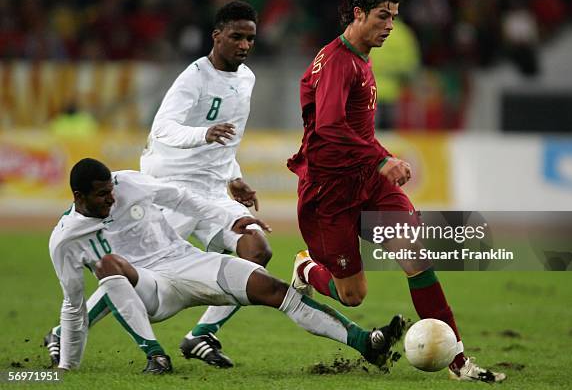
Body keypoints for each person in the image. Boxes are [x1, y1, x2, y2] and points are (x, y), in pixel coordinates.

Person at [287, 0, 506, 383]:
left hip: (366, 183)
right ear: (358, 14)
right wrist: (381, 158)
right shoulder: (339, 62)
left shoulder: (362, 55)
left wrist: (378, 159)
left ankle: (458, 361)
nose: (390, 25)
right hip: (329, 192)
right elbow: (329, 126)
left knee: (414, 251)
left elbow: (352, 127)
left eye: (394, 17)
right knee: (352, 296)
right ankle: (306, 269)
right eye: (383, 16)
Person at [45, 1, 271, 369]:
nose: (244, 45)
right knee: (144, 271)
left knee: (257, 249)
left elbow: (230, 139)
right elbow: (163, 128)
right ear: (217, 36)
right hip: (172, 185)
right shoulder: (193, 78)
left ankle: (201, 334)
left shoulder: (246, 79)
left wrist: (234, 177)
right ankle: (64, 330)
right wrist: (203, 133)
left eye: (250, 38)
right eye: (236, 37)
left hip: (213, 190)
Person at [47, 158, 405, 374]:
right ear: (78, 197)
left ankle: (365, 343)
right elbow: (72, 303)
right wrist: (67, 368)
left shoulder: (127, 183)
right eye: (101, 195)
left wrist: (231, 217)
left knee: (272, 287)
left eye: (111, 190)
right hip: (149, 289)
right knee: (110, 264)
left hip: (186, 262)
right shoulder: (65, 240)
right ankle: (154, 354)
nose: (111, 198)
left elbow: (181, 198)